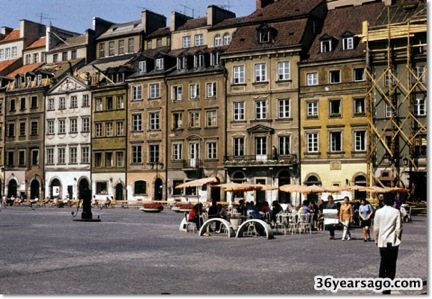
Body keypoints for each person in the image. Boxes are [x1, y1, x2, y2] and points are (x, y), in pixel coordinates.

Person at [374, 196, 403, 294]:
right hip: (393, 240)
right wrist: (398, 238)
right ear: (392, 202)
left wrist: (376, 238)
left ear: (384, 202)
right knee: (392, 263)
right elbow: (399, 228)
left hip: (382, 240)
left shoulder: (378, 212)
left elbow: (376, 228)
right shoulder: (396, 212)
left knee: (383, 261)